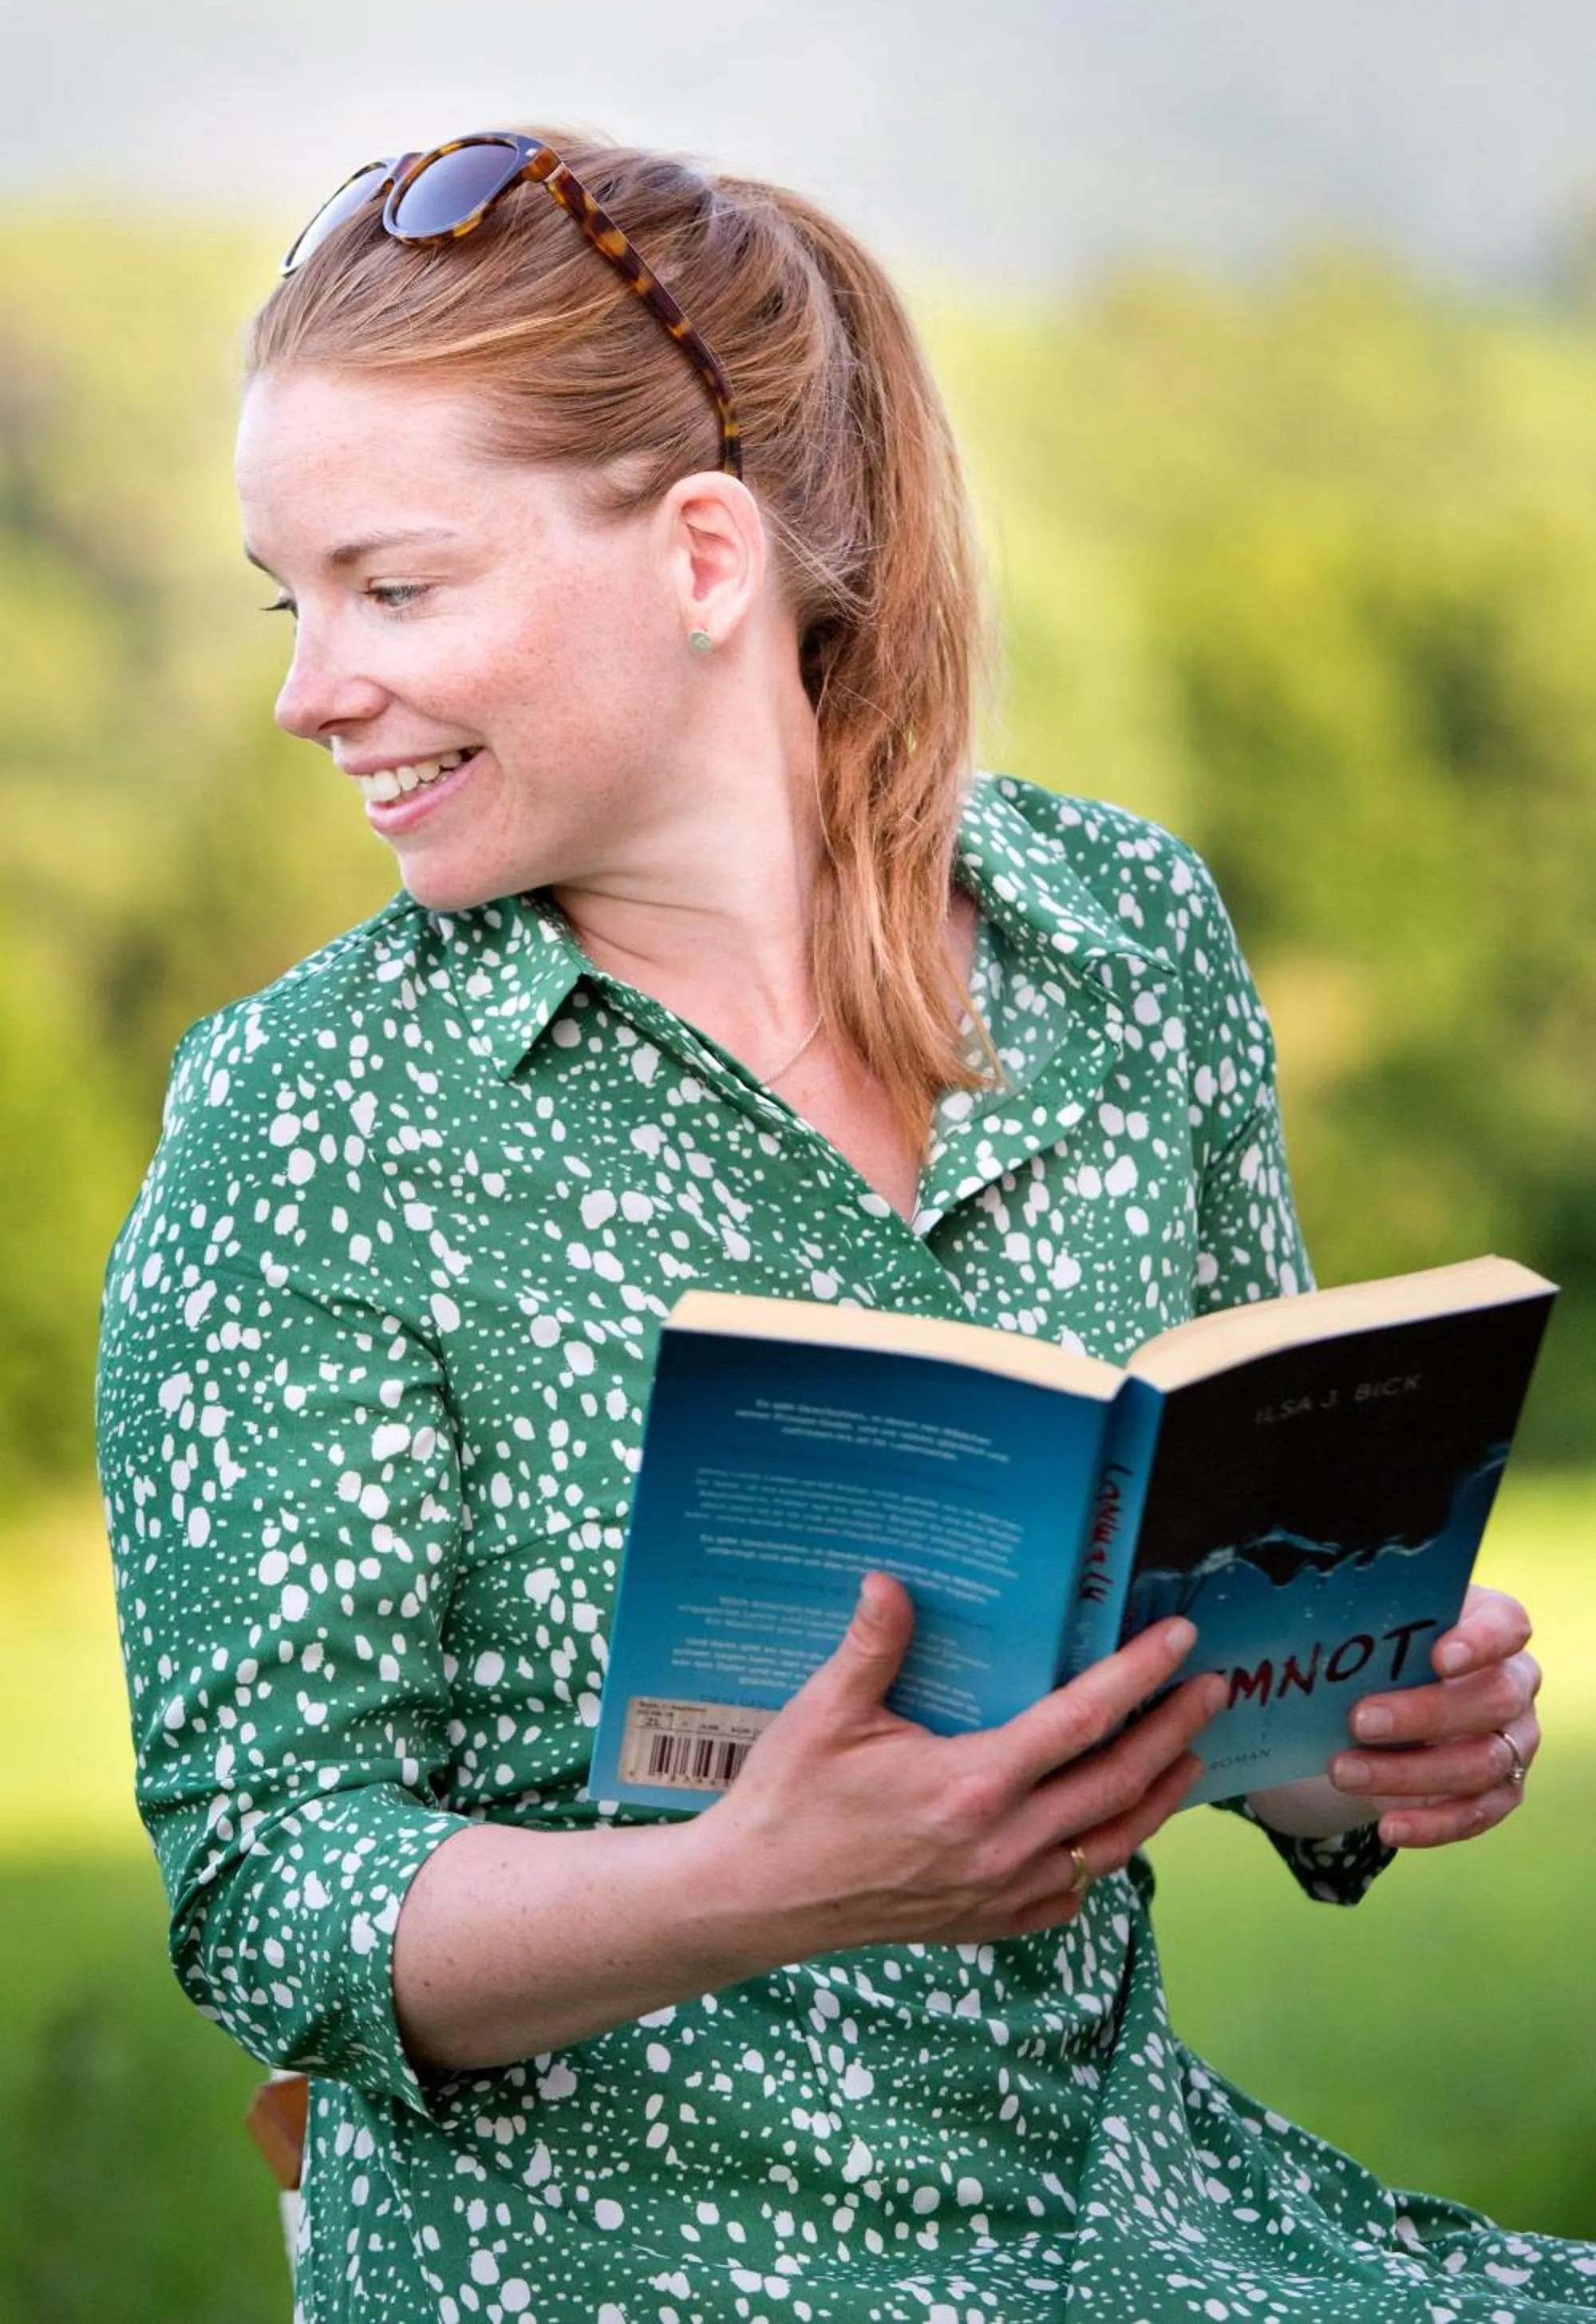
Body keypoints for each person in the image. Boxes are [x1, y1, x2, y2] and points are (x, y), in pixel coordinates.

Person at [95, 128, 1584, 2324]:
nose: (312, 688)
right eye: (285, 599)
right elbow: (265, 1892)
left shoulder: (1118, 942)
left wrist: (1363, 1734)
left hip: (1130, 2228)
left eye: (392, 590)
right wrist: (753, 1886)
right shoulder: (311, 1110)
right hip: (616, 2271)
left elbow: (1240, 1560)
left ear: (705, 555)